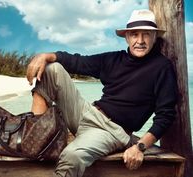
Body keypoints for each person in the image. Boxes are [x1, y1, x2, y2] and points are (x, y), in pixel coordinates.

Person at [26, 9, 178, 177]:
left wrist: (140, 147)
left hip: (111, 132)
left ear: (154, 37)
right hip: (87, 113)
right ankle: (35, 137)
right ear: (127, 37)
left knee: (72, 156)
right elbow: (78, 62)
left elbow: (166, 115)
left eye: (146, 35)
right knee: (51, 69)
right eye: (135, 34)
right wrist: (46, 56)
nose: (140, 41)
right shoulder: (113, 59)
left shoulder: (162, 67)